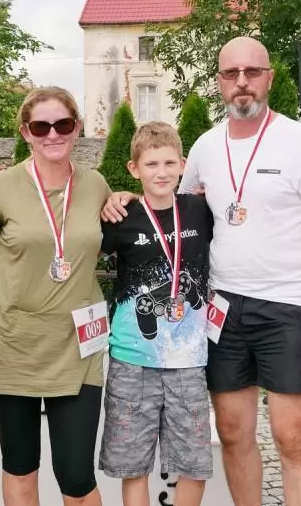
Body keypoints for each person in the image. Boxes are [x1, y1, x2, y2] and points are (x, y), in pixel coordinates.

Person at [103, 36, 301, 506]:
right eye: (231, 73)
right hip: (219, 309)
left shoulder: (300, 141)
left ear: (269, 77)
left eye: (252, 72)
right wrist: (126, 199)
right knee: (234, 433)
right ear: (219, 81)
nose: (242, 82)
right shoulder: (205, 147)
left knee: (293, 437)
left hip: (288, 305)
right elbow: (173, 209)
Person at [0, 86, 113, 506]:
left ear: (77, 128)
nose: (52, 134)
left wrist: (126, 197)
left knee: (76, 474)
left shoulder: (95, 184)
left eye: (63, 124)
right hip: (12, 343)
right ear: (25, 132)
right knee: (21, 466)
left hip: (77, 347)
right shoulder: (1, 186)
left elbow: (105, 237)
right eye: (41, 126)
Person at [98, 121, 213, 506]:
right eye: (150, 164)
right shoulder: (120, 216)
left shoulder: (200, 209)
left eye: (168, 163)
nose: (161, 172)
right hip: (132, 360)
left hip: (188, 361)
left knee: (194, 464)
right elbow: (77, 252)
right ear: (134, 169)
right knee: (133, 467)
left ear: (182, 164)